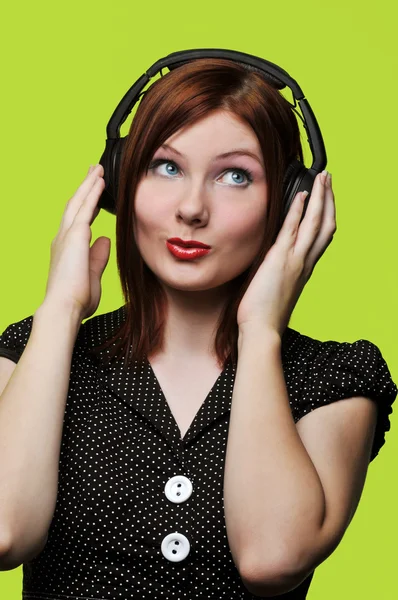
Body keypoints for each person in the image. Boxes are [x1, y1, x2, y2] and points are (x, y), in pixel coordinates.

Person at [0, 56, 396, 600]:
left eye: (235, 176)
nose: (191, 208)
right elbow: (4, 533)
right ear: (121, 180)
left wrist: (261, 331)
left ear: (286, 204)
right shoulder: (35, 354)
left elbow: (272, 558)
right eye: (166, 166)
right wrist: (60, 310)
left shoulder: (333, 380)